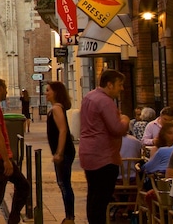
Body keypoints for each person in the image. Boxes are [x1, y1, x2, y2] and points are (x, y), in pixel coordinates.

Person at [80, 69, 130, 224]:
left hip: (89, 153)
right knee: (101, 200)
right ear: (109, 85)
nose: (122, 89)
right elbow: (117, 129)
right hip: (104, 157)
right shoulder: (105, 101)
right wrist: (125, 120)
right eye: (119, 85)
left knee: (93, 196)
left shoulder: (89, 97)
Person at [0, 78, 30, 224]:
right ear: (0, 88)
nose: (7, 91)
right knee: (0, 196)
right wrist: (6, 160)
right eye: (5, 88)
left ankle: (13, 218)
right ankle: (13, 219)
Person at [46, 81, 75, 224]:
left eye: (48, 90)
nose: (46, 93)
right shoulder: (56, 108)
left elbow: (63, 130)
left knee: (64, 184)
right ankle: (69, 215)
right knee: (63, 183)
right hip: (65, 151)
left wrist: (59, 152)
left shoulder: (57, 108)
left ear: (55, 92)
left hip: (65, 152)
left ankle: (70, 217)